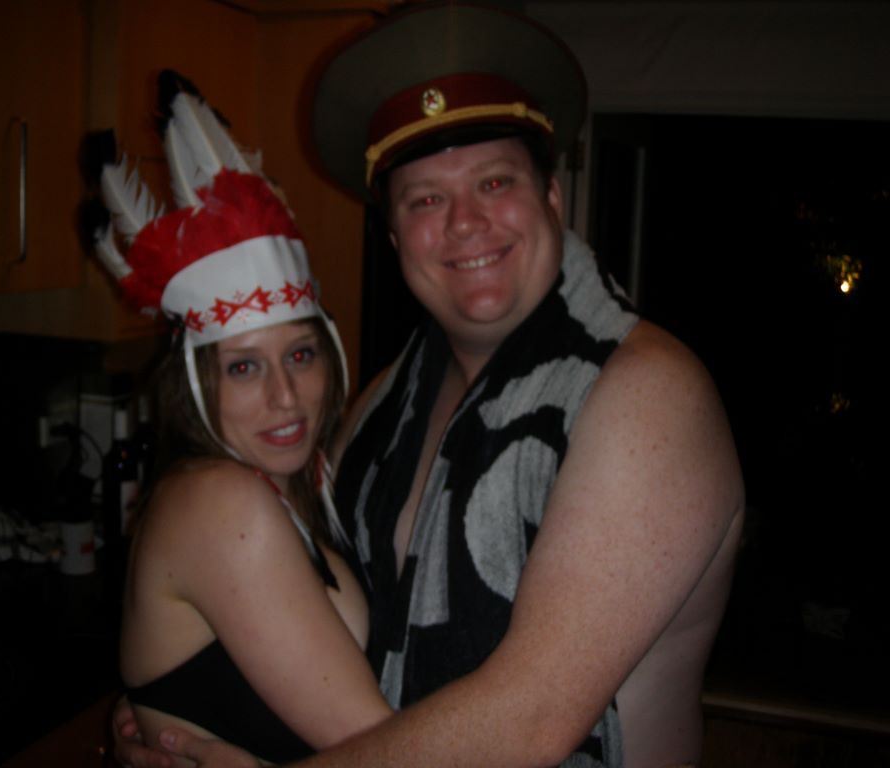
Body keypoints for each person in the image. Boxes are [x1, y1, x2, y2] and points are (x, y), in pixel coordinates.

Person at [114, 5, 744, 767]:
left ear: (552, 198)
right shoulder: (386, 400)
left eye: (494, 181)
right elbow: (279, 603)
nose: (465, 223)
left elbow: (530, 722)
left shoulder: (644, 396)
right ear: (395, 238)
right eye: (425, 199)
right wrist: (177, 703)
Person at [97, 71, 392, 766]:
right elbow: (388, 755)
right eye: (243, 368)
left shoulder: (298, 485)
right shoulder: (221, 503)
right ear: (196, 385)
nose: (285, 397)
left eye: (300, 355)